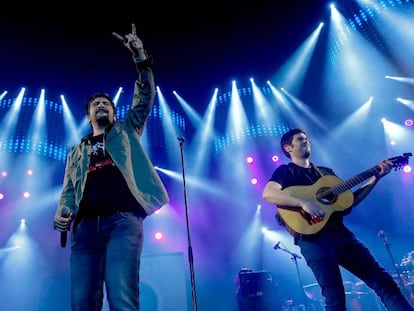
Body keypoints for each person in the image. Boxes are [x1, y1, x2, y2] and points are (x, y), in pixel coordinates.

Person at [53, 23, 169, 311]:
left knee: (122, 297)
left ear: (114, 113)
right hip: (84, 229)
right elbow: (69, 189)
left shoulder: (126, 131)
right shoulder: (77, 151)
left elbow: (144, 99)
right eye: (96, 104)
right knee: (82, 304)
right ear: (89, 114)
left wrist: (140, 57)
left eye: (106, 103)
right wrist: (61, 211)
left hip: (122, 222)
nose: (102, 105)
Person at [262, 127, 414, 311]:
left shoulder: (326, 173)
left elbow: (348, 201)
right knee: (335, 298)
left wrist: (376, 178)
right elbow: (268, 193)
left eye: (307, 138)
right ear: (288, 148)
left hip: (341, 235)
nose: (306, 141)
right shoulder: (286, 172)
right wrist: (303, 203)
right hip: (313, 240)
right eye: (301, 139)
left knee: (384, 282)